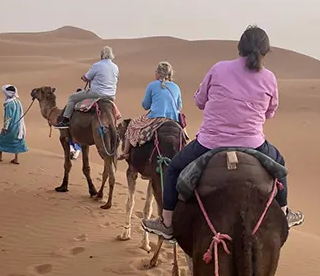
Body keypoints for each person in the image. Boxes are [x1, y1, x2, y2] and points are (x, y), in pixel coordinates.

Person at [142, 26, 304, 240]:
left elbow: (200, 101)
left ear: (240, 48)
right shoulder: (269, 78)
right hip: (253, 143)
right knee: (280, 167)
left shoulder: (218, 69)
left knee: (173, 169)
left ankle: (167, 223)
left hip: (210, 142)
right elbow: (270, 113)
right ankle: (283, 215)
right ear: (265, 52)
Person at [119, 61, 182, 161]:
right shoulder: (176, 87)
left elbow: (145, 105)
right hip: (173, 119)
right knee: (183, 135)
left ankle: (125, 152)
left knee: (132, 125)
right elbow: (179, 107)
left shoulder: (152, 85)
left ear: (158, 73)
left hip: (155, 118)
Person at [52, 46, 118, 128]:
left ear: (101, 55)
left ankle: (65, 121)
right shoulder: (115, 67)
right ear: (111, 55)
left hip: (97, 94)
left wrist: (84, 77)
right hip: (111, 96)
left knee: (72, 98)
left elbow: (87, 77)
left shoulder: (97, 65)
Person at [0, 84, 28, 164]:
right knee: (17, 140)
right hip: (18, 126)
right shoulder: (17, 102)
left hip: (11, 125)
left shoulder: (9, 104)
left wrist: (5, 127)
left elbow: (8, 117)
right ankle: (16, 158)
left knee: (1, 139)